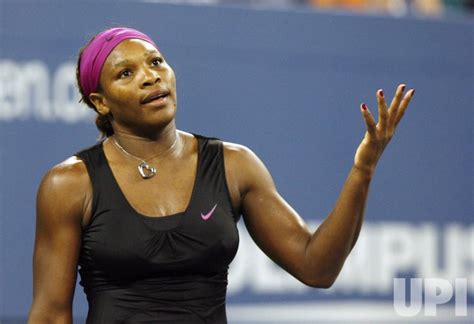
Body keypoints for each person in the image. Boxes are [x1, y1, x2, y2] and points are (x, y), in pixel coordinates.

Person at [27, 27, 415, 323]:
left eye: (156, 62)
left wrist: (363, 170)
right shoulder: (69, 184)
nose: (150, 77)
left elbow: (317, 266)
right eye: (126, 73)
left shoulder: (234, 164)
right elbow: (50, 315)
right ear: (101, 101)